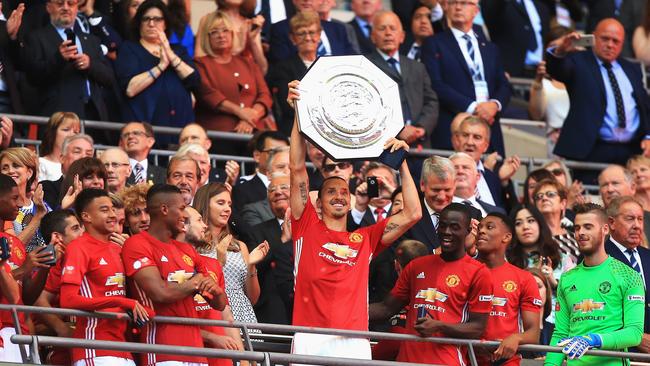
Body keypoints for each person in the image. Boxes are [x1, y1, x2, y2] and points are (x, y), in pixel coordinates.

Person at [287, 78, 421, 360]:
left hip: (355, 338)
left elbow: (413, 213)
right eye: (330, 192)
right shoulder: (306, 225)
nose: (339, 195)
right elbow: (296, 167)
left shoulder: (366, 239)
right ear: (318, 204)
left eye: (343, 192)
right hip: (310, 336)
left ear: (350, 202)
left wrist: (401, 162)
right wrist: (299, 113)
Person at [369, 203, 493, 364]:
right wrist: (347, 312)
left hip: (447, 361)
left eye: (455, 227)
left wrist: (439, 326)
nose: (447, 232)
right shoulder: (417, 266)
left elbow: (478, 328)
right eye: (443, 226)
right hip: (407, 361)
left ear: (468, 231)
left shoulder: (479, 272)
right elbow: (386, 308)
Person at [122, 184, 226, 365]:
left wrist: (215, 291)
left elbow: (220, 304)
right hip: (162, 349)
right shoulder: (137, 244)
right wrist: (195, 283)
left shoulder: (186, 250)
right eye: (181, 208)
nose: (185, 215)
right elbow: (160, 293)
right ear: (164, 209)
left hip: (196, 352)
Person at [546, 19, 650, 178]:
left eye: (616, 41)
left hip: (631, 149)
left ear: (622, 43)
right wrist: (561, 50)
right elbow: (558, 70)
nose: (610, 44)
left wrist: (648, 136)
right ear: (594, 37)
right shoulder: (579, 60)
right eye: (605, 38)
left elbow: (644, 107)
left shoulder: (632, 68)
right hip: (591, 148)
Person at [60, 189, 152, 366]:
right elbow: (68, 300)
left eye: (112, 209)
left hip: (122, 348)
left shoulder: (118, 248)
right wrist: (121, 302)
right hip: (93, 346)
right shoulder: (78, 247)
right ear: (86, 216)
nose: (112, 215)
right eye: (104, 210)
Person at [545, 203, 644, 365]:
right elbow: (561, 334)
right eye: (577, 228)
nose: (581, 233)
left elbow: (634, 333)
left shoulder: (629, 275)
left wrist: (593, 340)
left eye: (588, 227)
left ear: (605, 229)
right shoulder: (567, 278)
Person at [421, 0, 511, 156]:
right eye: (453, 2)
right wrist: (474, 108)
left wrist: (494, 105)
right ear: (446, 8)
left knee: (489, 177)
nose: (458, 7)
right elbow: (436, 84)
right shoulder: (434, 43)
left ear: (476, 10)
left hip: (489, 127)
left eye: (464, 3)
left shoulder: (490, 48)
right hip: (452, 125)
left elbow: (503, 84)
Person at [21, 0, 114, 121]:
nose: (66, 8)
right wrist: (59, 58)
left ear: (77, 8)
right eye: (60, 4)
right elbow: (32, 77)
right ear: (48, 7)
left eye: (71, 4)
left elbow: (109, 78)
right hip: (59, 116)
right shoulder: (37, 38)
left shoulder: (92, 40)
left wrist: (90, 64)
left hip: (94, 115)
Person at [114, 0, 199, 130]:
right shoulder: (129, 49)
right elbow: (130, 89)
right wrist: (161, 66)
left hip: (180, 128)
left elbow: (194, 81)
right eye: (146, 19)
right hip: (146, 129)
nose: (151, 23)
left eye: (158, 19)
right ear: (139, 24)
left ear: (165, 24)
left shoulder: (178, 50)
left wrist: (171, 56)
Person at [195, 10, 272, 148]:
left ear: (232, 34)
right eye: (214, 31)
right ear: (207, 37)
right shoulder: (200, 64)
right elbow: (208, 95)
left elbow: (265, 95)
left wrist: (251, 117)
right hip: (219, 137)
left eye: (225, 30)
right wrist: (241, 112)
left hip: (254, 136)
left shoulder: (247, 62)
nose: (221, 35)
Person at [193, 183, 269, 323]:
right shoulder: (192, 246)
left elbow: (252, 298)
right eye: (221, 203)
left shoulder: (240, 246)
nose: (227, 209)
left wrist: (251, 266)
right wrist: (219, 262)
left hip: (243, 315)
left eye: (229, 204)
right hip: (211, 314)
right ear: (204, 205)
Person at [475, 212, 542, 365]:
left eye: (489, 227)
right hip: (466, 357)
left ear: (506, 237)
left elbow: (534, 333)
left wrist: (516, 338)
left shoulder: (524, 278)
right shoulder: (464, 272)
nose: (482, 231)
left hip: (506, 361)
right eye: (480, 228)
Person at [183, 205, 246, 366]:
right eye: (198, 220)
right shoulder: (171, 263)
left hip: (221, 358)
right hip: (188, 353)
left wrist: (244, 358)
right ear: (183, 224)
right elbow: (173, 319)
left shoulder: (212, 264)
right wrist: (212, 337)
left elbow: (226, 316)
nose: (205, 226)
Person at [366, 10, 439, 148]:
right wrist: (398, 130)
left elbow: (431, 101)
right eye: (382, 28)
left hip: (419, 145)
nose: (388, 33)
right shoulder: (365, 66)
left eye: (393, 28)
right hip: (384, 146)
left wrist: (421, 128)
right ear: (373, 37)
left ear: (402, 36)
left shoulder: (418, 67)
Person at [34, 209, 84, 365]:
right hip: (61, 353)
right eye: (75, 229)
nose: (83, 232)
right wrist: (62, 328)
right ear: (57, 237)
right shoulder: (52, 265)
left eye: (81, 227)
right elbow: (38, 302)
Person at [244, 172, 293, 324]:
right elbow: (255, 266)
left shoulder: (311, 227)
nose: (278, 192)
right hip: (273, 312)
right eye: (272, 190)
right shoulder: (257, 231)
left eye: (284, 187)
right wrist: (283, 241)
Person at [604, 196, 650, 351]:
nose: (637, 226)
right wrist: (636, 337)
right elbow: (598, 309)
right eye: (630, 219)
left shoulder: (647, 256)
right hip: (619, 350)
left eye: (640, 219)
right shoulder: (598, 257)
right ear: (611, 223)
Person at [267, 10, 321, 136]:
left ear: (319, 35)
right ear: (293, 38)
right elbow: (287, 107)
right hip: (296, 131)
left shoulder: (327, 66)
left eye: (312, 32)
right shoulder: (283, 68)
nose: (308, 38)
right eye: (301, 34)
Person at [528, 27, 571, 158]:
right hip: (551, 146)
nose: (558, 52)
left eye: (563, 47)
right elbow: (536, 114)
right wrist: (538, 81)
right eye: (553, 48)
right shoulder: (542, 83)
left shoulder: (584, 79)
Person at [268, 0, 355, 62]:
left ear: (320, 1)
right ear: (294, 1)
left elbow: (352, 59)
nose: (306, 0)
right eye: (301, 34)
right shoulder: (280, 28)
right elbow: (281, 64)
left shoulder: (339, 29)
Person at [0, 174, 28, 362]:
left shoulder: (13, 242)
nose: (20, 204)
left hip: (16, 329)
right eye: (14, 198)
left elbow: (16, 298)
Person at [195, 0, 267, 73]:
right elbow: (199, 63)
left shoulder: (250, 24)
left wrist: (253, 42)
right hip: (219, 79)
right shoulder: (207, 20)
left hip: (248, 80)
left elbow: (262, 69)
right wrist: (239, 48)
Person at [482, 0, 551, 77]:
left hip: (538, 73)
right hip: (508, 73)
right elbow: (490, 14)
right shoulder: (499, 3)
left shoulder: (541, 7)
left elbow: (545, 39)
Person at [0, 147, 50, 251]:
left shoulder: (42, 205)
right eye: (5, 168)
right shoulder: (3, 209)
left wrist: (66, 207)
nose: (10, 171)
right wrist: (38, 216)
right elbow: (12, 248)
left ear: (29, 173)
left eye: (16, 166)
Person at [404, 155, 455, 251]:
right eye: (436, 190)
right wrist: (435, 255)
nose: (441, 197)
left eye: (447, 190)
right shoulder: (407, 219)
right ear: (422, 185)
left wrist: (474, 252)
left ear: (455, 185)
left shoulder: (471, 215)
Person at [533, 178, 580, 263]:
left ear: (563, 203)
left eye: (550, 194)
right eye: (539, 196)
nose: (544, 198)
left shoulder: (576, 238)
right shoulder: (532, 238)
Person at [450, 152, 505, 216]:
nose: (460, 171)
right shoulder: (439, 208)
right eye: (455, 168)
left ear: (477, 177)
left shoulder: (498, 212)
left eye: (465, 167)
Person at [38, 112, 81, 182]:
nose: (72, 135)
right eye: (66, 130)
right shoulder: (40, 163)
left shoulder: (81, 166)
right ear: (52, 133)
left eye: (76, 132)